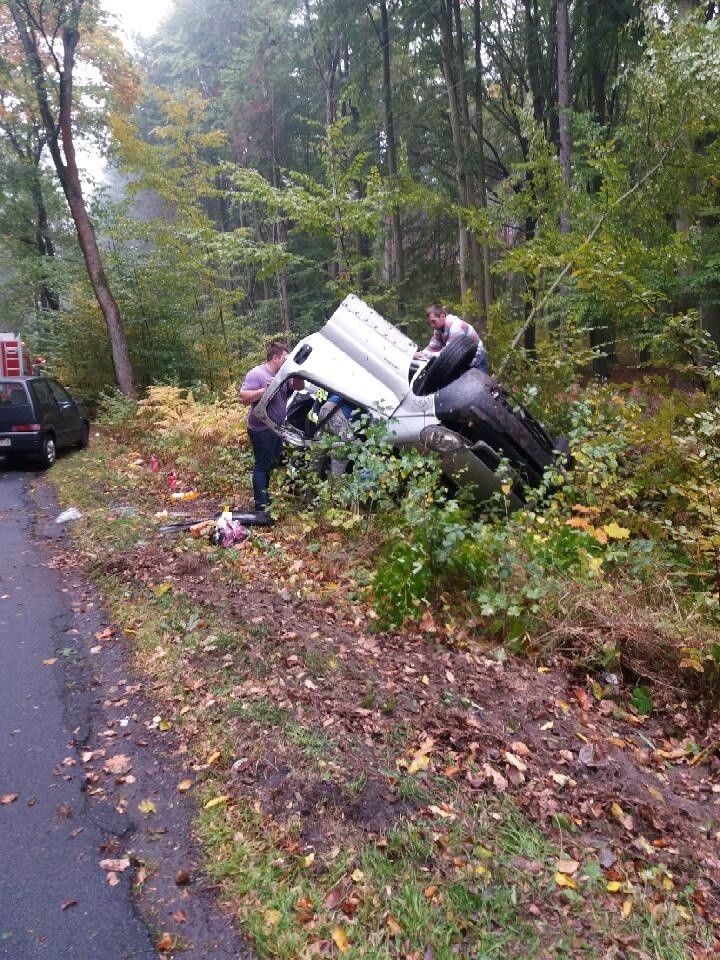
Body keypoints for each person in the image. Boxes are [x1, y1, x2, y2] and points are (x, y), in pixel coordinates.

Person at [239, 341, 303, 512]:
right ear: (275, 358)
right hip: (261, 428)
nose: (286, 361)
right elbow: (243, 397)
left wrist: (297, 370)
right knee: (262, 464)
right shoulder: (257, 373)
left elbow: (299, 387)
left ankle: (265, 497)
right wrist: (264, 390)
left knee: (272, 463)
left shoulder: (283, 374)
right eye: (285, 358)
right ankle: (261, 504)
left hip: (276, 428)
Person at [415, 303, 489, 373]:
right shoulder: (439, 329)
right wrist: (420, 354)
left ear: (442, 316)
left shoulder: (456, 327)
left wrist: (425, 355)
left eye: (434, 321)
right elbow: (433, 347)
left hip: (477, 361)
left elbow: (447, 354)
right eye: (430, 323)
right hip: (464, 361)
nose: (432, 325)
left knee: (480, 386)